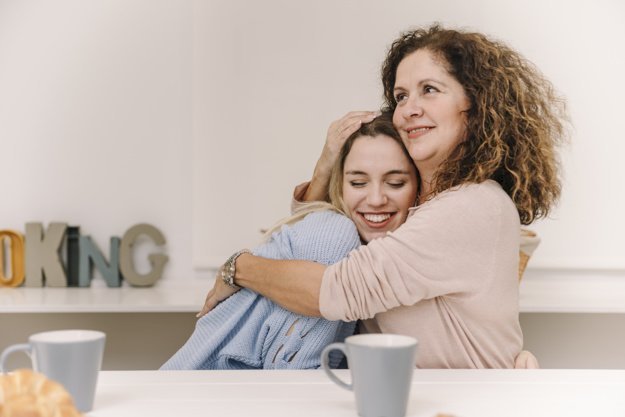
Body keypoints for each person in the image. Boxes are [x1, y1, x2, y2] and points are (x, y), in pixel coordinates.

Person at [198, 24, 567, 369]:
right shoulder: (416, 206)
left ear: (475, 105)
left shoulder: (473, 205)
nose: (409, 108)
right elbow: (320, 238)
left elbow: (337, 290)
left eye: (430, 90)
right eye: (401, 96)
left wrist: (238, 267)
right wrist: (327, 165)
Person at [161, 114, 418, 370]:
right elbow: (290, 378)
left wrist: (237, 266)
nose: (375, 199)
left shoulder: (377, 253)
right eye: (358, 182)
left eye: (395, 183)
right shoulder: (334, 233)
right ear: (340, 187)